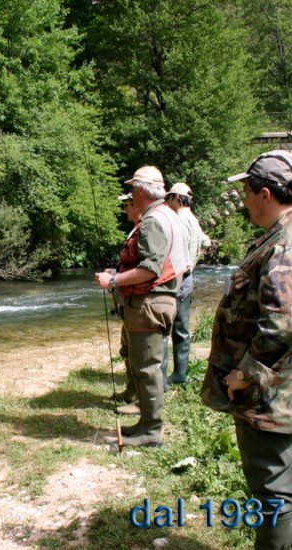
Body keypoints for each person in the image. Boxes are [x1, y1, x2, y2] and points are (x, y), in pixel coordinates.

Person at [201, 150, 292, 549]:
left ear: (264, 193)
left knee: (273, 490)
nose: (242, 200)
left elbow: (285, 323)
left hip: (275, 395)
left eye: (245, 191)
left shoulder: (285, 245)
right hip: (287, 388)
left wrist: (244, 373)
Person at [96, 166, 188, 447]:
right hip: (158, 301)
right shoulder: (167, 215)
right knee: (149, 366)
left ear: (139, 190)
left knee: (147, 368)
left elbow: (150, 269)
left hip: (149, 303)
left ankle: (151, 430)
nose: (130, 198)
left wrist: (113, 279)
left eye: (132, 190)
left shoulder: (152, 221)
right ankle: (147, 424)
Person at [163, 182, 211, 385]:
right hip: (189, 277)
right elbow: (206, 243)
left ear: (176, 198)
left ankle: (163, 376)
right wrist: (195, 257)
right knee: (181, 329)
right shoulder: (193, 219)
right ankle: (180, 374)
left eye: (169, 198)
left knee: (164, 327)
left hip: (177, 278)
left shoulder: (178, 219)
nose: (167, 202)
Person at [111, 192, 141, 413]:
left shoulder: (148, 228)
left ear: (136, 205)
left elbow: (148, 268)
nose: (125, 210)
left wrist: (114, 278)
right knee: (127, 348)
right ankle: (131, 391)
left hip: (139, 301)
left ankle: (141, 401)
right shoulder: (138, 228)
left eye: (127, 206)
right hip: (128, 300)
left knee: (140, 354)